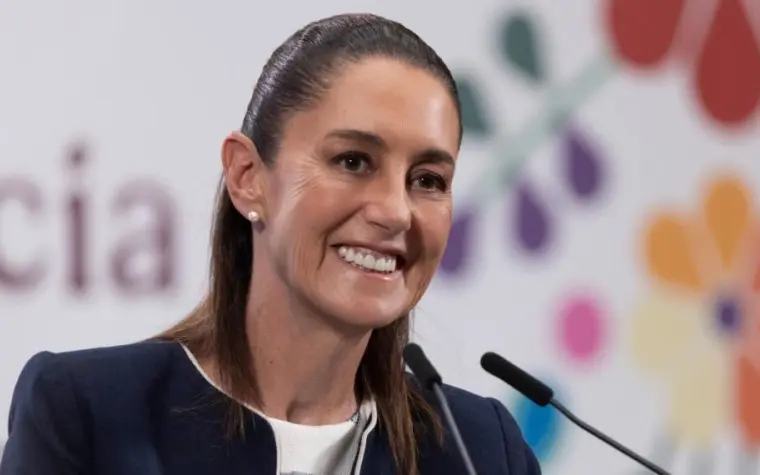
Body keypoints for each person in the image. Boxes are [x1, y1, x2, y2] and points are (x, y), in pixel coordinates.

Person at [0, 13, 541, 475]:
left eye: (427, 180)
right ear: (247, 176)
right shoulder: (87, 412)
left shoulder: (480, 451)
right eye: (353, 161)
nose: (395, 211)